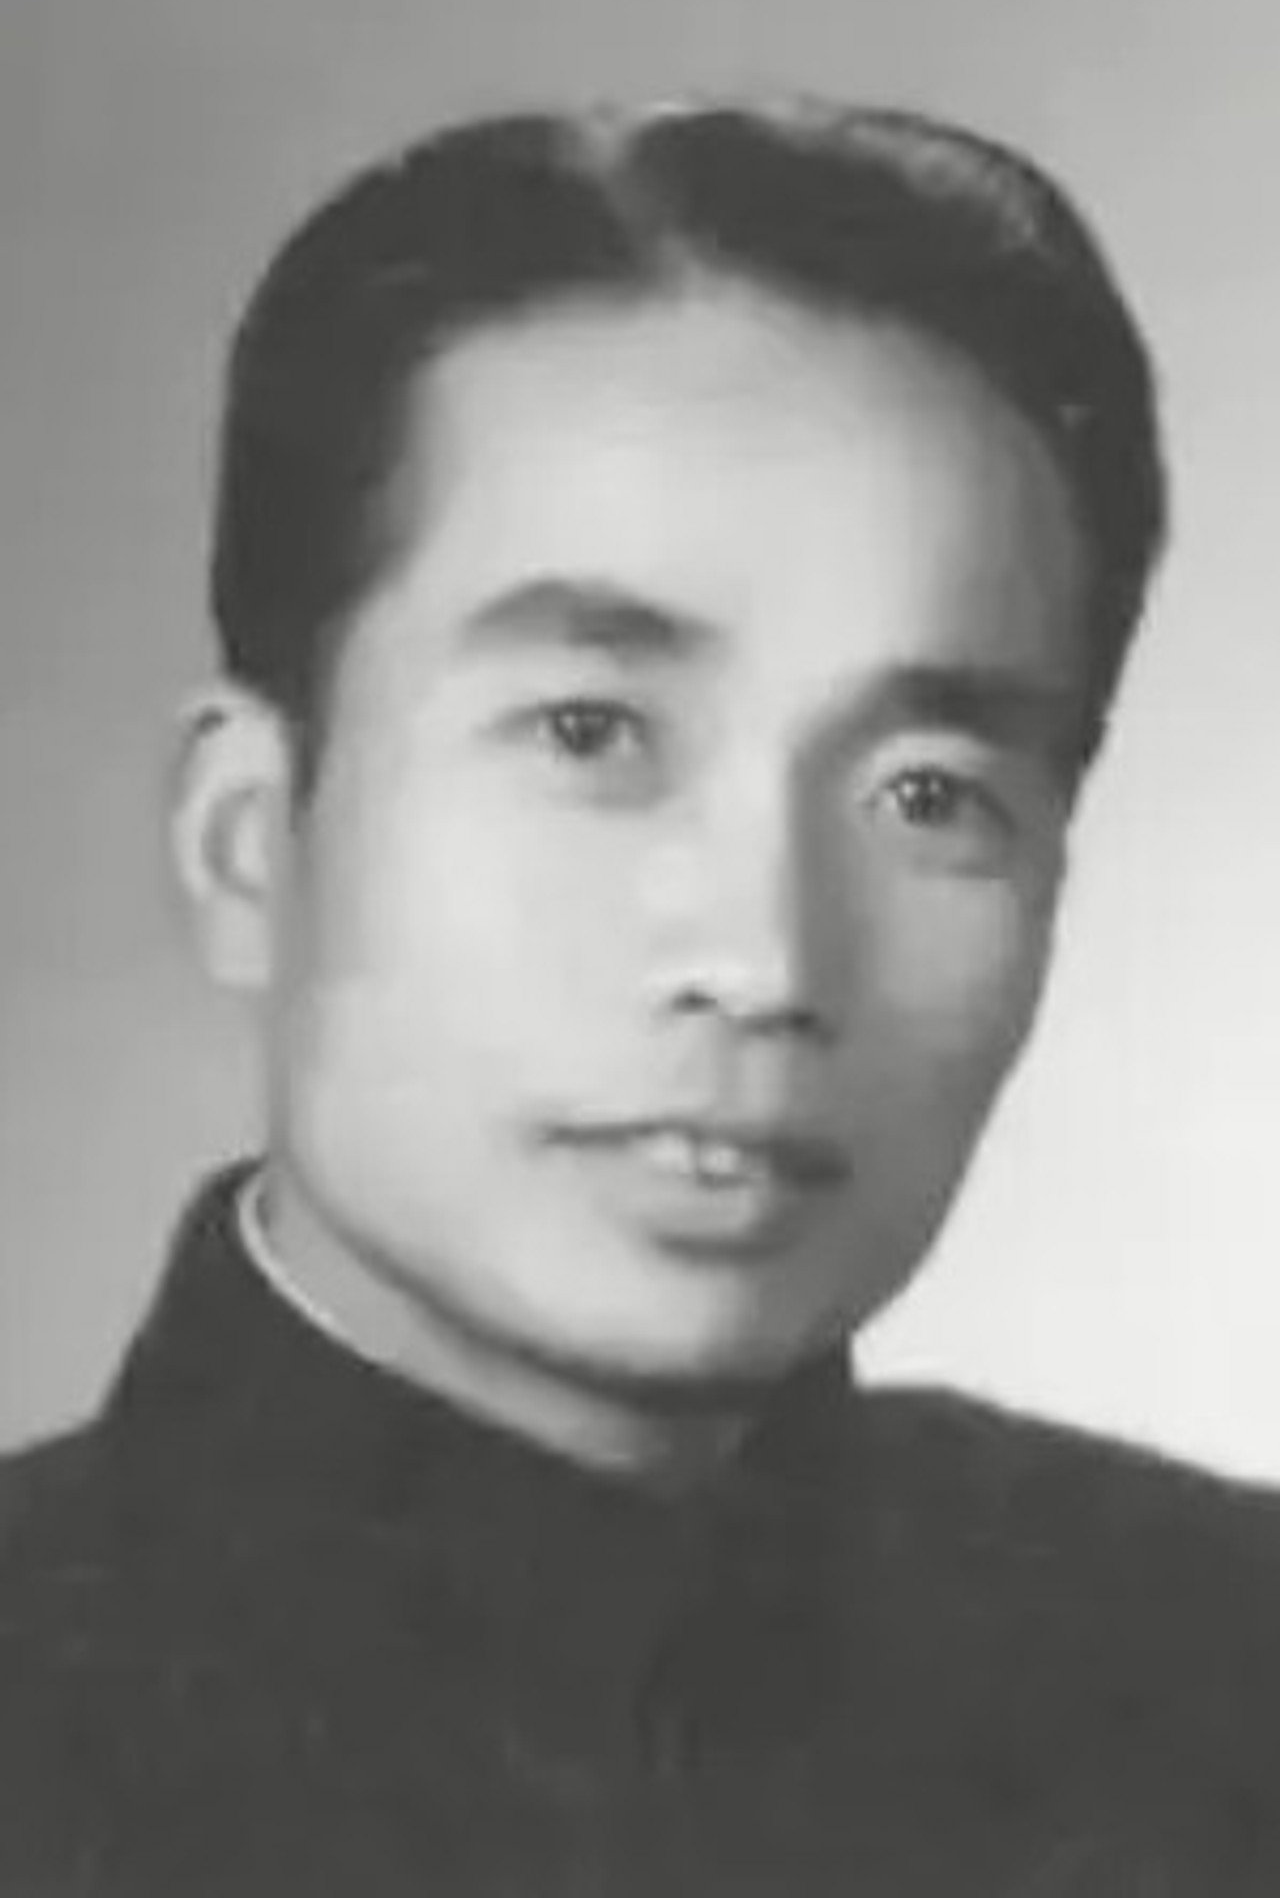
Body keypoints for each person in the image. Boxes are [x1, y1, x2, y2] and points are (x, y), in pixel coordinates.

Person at [0, 97, 1276, 1896]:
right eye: (590, 733)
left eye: (927, 795)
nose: (765, 963)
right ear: (249, 843)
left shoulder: (1227, 1670)